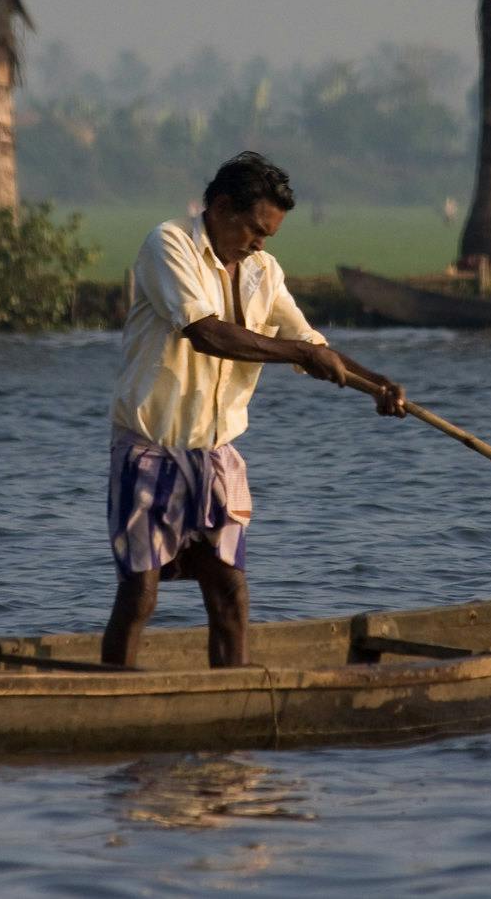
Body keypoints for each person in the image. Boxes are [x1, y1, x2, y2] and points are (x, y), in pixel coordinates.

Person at [101, 151, 407, 670]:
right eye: (255, 230)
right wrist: (301, 354)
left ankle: (235, 695)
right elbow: (205, 332)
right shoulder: (169, 244)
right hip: (151, 447)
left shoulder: (263, 272)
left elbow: (309, 342)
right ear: (222, 208)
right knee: (140, 594)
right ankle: (114, 694)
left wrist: (376, 384)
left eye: (269, 235)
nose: (260, 244)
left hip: (216, 454)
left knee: (229, 593)